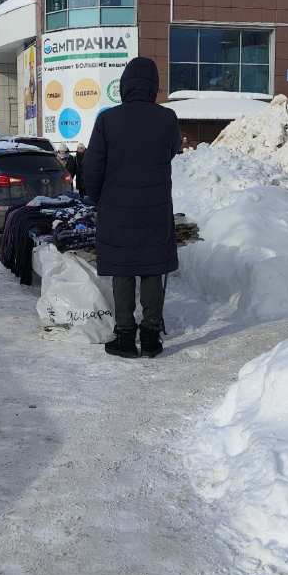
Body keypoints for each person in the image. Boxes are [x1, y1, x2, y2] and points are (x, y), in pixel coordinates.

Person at [84, 57, 181, 358]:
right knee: (153, 268)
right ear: (154, 85)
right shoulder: (167, 118)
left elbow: (92, 166)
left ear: (124, 84)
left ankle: (125, 336)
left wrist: (96, 198)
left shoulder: (108, 119)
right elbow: (172, 152)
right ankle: (151, 336)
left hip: (117, 209)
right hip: (155, 208)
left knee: (123, 270)